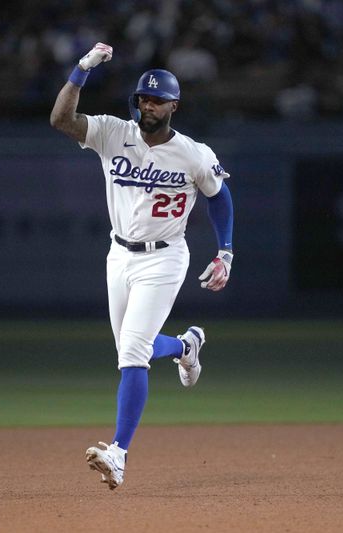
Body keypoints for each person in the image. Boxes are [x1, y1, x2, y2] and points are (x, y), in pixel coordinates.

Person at [50, 43, 234, 490]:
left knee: (132, 351)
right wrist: (81, 70)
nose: (147, 105)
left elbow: (220, 197)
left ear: (174, 105)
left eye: (156, 100)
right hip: (119, 255)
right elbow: (61, 120)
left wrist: (225, 252)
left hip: (166, 257)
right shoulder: (114, 132)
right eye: (142, 99)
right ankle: (186, 346)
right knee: (135, 351)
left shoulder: (193, 153)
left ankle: (119, 453)